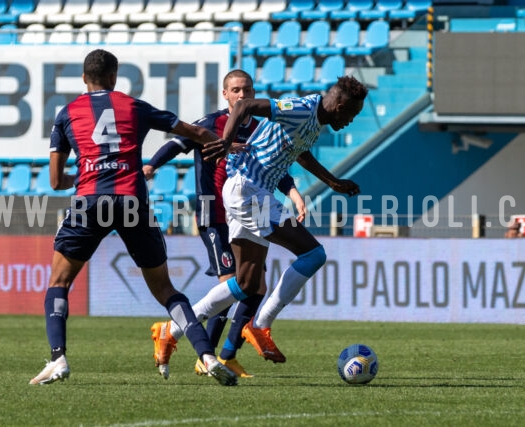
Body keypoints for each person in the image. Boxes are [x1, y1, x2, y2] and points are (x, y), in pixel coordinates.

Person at [28, 49, 237, 386]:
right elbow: (190, 130)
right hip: (131, 200)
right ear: (114, 77)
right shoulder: (133, 106)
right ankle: (206, 355)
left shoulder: (67, 114)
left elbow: (55, 181)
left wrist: (80, 178)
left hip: (89, 201)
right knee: (166, 290)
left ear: (84, 78)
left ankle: (58, 358)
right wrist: (224, 143)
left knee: (59, 282)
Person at [154, 76, 367, 373]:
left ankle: (171, 331)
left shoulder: (313, 121)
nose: (350, 121)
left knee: (246, 284)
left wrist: (334, 182)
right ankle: (260, 324)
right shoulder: (303, 108)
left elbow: (300, 153)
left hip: (250, 192)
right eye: (351, 115)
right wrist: (226, 142)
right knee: (313, 254)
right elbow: (243, 105)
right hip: (249, 191)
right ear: (340, 106)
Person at [145, 70, 306, 379]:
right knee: (231, 282)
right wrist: (152, 164)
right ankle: (194, 346)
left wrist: (294, 193)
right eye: (235, 90)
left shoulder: (262, 128)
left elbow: (276, 169)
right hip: (215, 213)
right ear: (225, 94)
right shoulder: (210, 124)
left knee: (256, 286)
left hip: (251, 211)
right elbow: (178, 145)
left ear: (254, 91)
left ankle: (227, 354)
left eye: (246, 89)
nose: (241, 95)